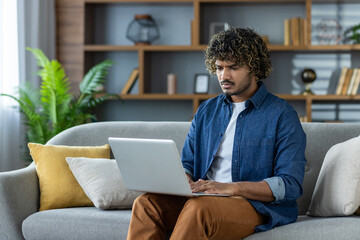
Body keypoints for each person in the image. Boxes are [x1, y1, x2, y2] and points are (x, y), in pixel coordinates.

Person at [127, 27, 306, 240]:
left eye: (233, 68)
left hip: (253, 205)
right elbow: (188, 163)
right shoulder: (206, 110)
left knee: (199, 210)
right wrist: (182, 180)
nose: (224, 76)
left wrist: (230, 188)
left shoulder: (282, 114)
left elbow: (289, 185)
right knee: (146, 204)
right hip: (202, 196)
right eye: (219, 68)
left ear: (254, 68)